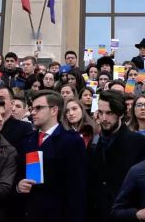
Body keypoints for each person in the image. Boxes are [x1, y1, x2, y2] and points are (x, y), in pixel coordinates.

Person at [16, 90, 86, 222]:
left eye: (38, 108)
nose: (33, 112)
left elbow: (77, 187)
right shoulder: (27, 140)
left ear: (54, 110)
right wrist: (19, 186)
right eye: (32, 108)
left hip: (59, 214)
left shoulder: (72, 141)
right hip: (30, 213)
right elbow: (19, 173)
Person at [86, 90, 145, 222]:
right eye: (100, 112)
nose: (104, 118)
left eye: (109, 113)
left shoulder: (140, 143)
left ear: (121, 114)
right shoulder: (93, 144)